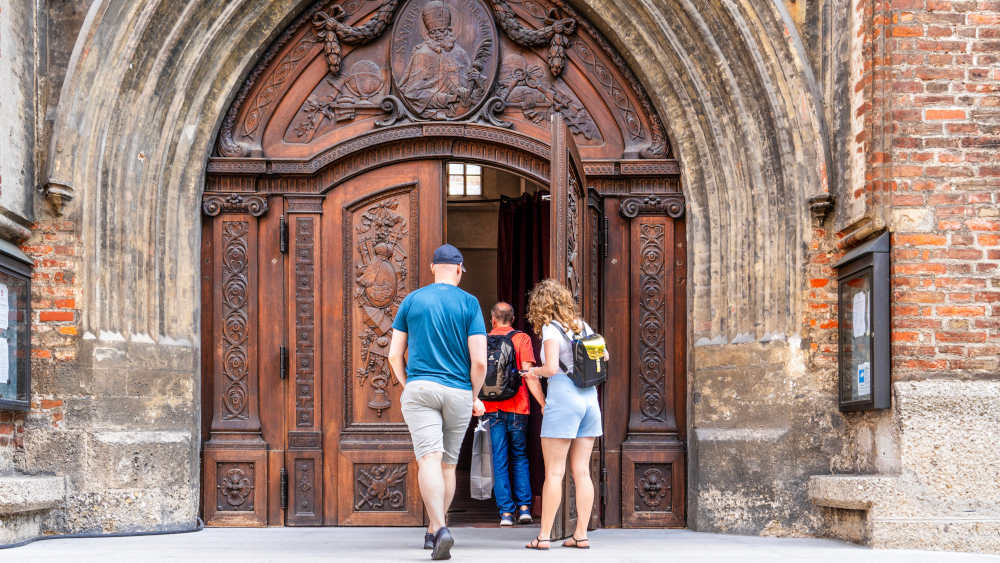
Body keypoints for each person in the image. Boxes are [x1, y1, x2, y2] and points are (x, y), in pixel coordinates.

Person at [388, 244, 488, 561]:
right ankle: (435, 528)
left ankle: (439, 529)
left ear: (433, 268)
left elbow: (393, 355)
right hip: (459, 391)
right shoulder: (470, 304)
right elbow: (481, 363)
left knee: (428, 459)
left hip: (420, 387)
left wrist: (410, 385)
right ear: (459, 270)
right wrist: (473, 396)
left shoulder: (412, 300)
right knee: (447, 463)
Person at [521, 279, 608, 551]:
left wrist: (531, 372)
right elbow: (604, 356)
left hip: (563, 401)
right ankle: (580, 534)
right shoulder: (582, 326)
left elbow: (549, 368)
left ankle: (544, 536)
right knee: (582, 471)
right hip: (590, 402)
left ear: (540, 305)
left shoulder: (549, 329)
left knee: (554, 473)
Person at [481, 302, 545, 526]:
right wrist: (543, 403)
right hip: (518, 407)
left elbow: (476, 372)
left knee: (499, 458)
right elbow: (529, 374)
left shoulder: (483, 339)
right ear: (514, 318)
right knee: (519, 456)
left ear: (493, 319)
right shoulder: (522, 339)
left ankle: (506, 514)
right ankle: (525, 508)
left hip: (491, 408)